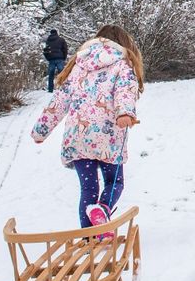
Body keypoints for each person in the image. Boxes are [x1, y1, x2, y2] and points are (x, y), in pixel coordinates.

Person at [32, 25, 143, 230]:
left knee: (89, 189)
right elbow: (125, 91)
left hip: (78, 139)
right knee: (114, 182)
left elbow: (59, 101)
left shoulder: (79, 65)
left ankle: (88, 237)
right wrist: (125, 113)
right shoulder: (123, 64)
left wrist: (41, 130)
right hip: (107, 139)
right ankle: (102, 209)